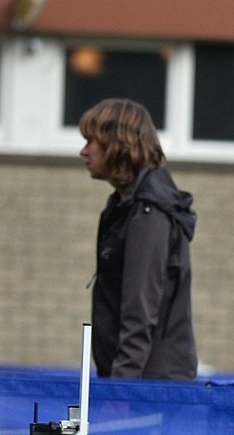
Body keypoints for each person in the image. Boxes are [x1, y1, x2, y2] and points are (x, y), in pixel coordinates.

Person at [78, 98, 197, 380]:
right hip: (138, 380)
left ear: (117, 145)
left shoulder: (148, 213)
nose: (83, 151)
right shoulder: (126, 208)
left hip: (147, 386)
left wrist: (121, 390)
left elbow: (139, 312)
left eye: (91, 141)